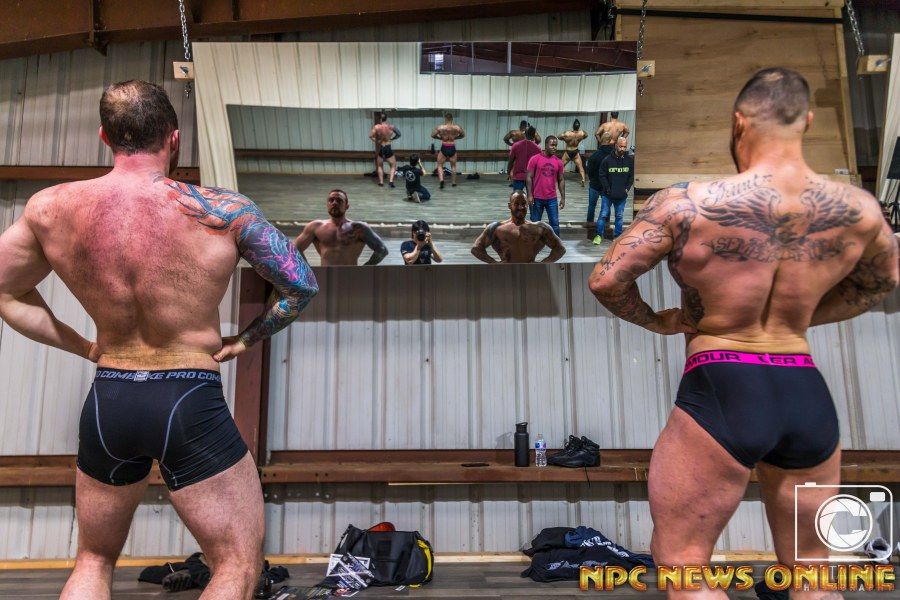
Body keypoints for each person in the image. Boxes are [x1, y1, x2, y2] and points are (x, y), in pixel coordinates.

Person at [0, 80, 319, 600]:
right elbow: (300, 285)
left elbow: (6, 291)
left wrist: (83, 346)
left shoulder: (51, 208)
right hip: (188, 395)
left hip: (110, 397)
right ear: (173, 138)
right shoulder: (224, 209)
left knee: (93, 560)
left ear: (105, 136)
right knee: (236, 564)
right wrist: (245, 340)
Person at [588, 68, 898, 600]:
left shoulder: (685, 204)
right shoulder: (859, 210)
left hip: (724, 383)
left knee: (684, 569)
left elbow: (606, 279)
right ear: (807, 120)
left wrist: (659, 321)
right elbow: (883, 282)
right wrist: (803, 318)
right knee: (813, 576)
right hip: (805, 392)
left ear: (738, 123)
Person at [293, 190, 389, 266]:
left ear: (347, 206)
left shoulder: (359, 228)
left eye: (339, 200)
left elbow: (382, 250)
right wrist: (308, 271)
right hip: (325, 277)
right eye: (331, 200)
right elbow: (294, 249)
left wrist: (365, 269)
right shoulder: (315, 227)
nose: (334, 203)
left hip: (351, 277)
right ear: (327, 205)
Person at [471, 191, 566, 264]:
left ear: (527, 205)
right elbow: (476, 248)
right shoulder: (496, 228)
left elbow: (560, 248)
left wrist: (543, 264)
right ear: (509, 206)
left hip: (530, 273)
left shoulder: (540, 228)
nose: (520, 207)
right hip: (506, 273)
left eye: (523, 204)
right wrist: (493, 263)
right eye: (516, 204)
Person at [526, 136, 565, 236]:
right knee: (535, 224)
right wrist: (529, 195)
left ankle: (556, 243)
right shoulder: (535, 159)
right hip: (537, 198)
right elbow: (529, 177)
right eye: (552, 145)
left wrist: (563, 197)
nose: (554, 147)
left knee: (555, 224)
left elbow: (561, 180)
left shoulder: (559, 162)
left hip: (552, 198)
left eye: (556, 145)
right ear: (546, 145)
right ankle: (533, 243)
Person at [597, 136, 635, 240]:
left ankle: (617, 237)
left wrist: (627, 189)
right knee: (603, 215)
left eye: (624, 147)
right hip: (607, 195)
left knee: (619, 216)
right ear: (616, 146)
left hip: (621, 196)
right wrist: (607, 189)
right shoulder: (607, 160)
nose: (622, 149)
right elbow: (602, 175)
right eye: (620, 146)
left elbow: (631, 176)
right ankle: (599, 235)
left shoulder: (629, 161)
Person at [586, 132, 614, 244]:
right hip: (607, 186)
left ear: (601, 140)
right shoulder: (613, 155)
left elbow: (589, 170)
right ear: (610, 141)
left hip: (594, 185)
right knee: (606, 208)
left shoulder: (595, 155)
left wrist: (593, 180)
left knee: (591, 206)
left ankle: (589, 226)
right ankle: (606, 226)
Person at [431, 113, 465, 189]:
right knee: (453, 166)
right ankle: (453, 183)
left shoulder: (440, 127)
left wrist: (440, 138)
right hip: (452, 147)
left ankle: (441, 181)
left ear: (445, 119)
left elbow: (432, 135)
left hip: (444, 147)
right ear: (452, 119)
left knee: (440, 165)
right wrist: (455, 138)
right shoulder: (457, 128)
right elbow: (463, 135)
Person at [369, 111, 401, 188]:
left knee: (379, 165)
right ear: (386, 118)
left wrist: (377, 141)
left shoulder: (377, 127)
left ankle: (381, 182)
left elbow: (370, 136)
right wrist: (392, 139)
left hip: (381, 147)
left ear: (380, 119)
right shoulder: (391, 127)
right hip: (388, 147)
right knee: (393, 165)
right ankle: (391, 182)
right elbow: (399, 134)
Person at [506, 126, 541, 193]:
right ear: (534, 135)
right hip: (531, 176)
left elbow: (511, 161)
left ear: (524, 134)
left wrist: (508, 172)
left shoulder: (516, 145)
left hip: (518, 176)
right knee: (531, 196)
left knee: (517, 196)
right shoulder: (537, 148)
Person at [559, 119, 588, 187]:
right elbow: (586, 135)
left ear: (573, 126)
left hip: (568, 152)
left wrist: (564, 138)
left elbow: (559, 137)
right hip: (575, 152)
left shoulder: (568, 133)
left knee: (561, 166)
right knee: (580, 167)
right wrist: (581, 135)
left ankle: (559, 178)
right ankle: (583, 179)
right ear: (579, 126)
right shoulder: (581, 133)